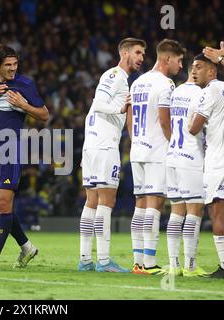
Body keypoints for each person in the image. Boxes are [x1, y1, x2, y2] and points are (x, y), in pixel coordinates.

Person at [0, 44, 49, 270]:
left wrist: (24, 105)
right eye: (8, 65)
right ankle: (27, 247)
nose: (13, 69)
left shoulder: (25, 84)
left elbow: (44, 114)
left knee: (4, 202)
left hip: (11, 148)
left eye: (15, 64)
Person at [78, 38, 146, 272]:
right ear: (125, 53)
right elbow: (97, 103)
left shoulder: (120, 80)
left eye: (143, 55)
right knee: (107, 202)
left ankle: (85, 259)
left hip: (93, 145)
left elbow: (91, 112)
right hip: (104, 146)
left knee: (92, 202)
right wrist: (119, 109)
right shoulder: (114, 75)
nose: (141, 58)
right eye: (137, 53)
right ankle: (104, 261)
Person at [129, 39, 185, 275]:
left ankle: (138, 262)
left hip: (137, 150)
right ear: (167, 59)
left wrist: (136, 142)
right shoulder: (166, 85)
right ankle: (150, 264)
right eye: (180, 60)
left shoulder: (138, 82)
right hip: (156, 151)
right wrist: (175, 147)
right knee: (155, 205)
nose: (182, 66)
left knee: (140, 206)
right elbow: (165, 121)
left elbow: (130, 120)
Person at [189, 53, 224, 279]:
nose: (194, 71)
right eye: (193, 67)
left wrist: (192, 115)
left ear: (212, 71)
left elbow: (193, 128)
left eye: (199, 67)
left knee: (216, 210)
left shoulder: (208, 91)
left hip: (219, 159)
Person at [163, 66, 208, 277]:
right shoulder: (201, 93)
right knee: (194, 211)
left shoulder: (177, 91)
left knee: (176, 212)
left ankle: (173, 265)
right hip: (191, 157)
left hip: (172, 155)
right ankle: (190, 267)